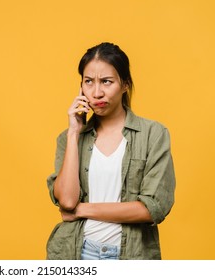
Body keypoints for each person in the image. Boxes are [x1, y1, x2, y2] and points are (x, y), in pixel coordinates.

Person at [46, 42, 176, 260]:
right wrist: (73, 133)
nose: (97, 92)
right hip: (76, 253)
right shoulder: (69, 138)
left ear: (125, 84)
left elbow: (152, 209)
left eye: (106, 82)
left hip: (130, 255)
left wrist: (81, 210)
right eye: (89, 82)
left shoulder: (153, 134)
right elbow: (67, 201)